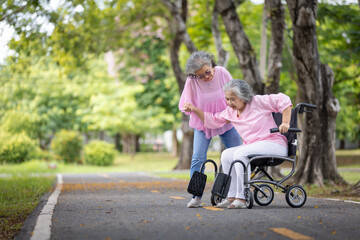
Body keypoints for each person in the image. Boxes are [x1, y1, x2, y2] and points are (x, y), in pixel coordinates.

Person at [183, 79, 292, 209]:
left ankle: (242, 197)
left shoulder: (258, 102)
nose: (229, 103)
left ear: (243, 96)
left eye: (233, 99)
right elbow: (212, 121)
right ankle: (232, 196)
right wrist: (194, 109)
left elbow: (283, 100)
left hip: (274, 144)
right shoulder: (231, 112)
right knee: (227, 154)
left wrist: (285, 122)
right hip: (254, 146)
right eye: (227, 99)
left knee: (241, 153)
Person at [179, 51, 242, 208]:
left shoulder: (222, 72)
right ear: (195, 76)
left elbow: (235, 93)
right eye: (201, 76)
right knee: (198, 158)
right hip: (203, 123)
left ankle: (239, 193)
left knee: (237, 155)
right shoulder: (192, 81)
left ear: (212, 66)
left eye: (207, 72)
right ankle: (196, 196)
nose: (206, 77)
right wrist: (188, 106)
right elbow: (185, 102)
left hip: (225, 120)